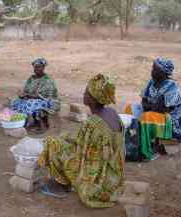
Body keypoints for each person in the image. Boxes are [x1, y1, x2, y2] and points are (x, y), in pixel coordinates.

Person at [38, 74, 125, 208]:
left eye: (86, 92)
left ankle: (61, 184)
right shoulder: (112, 113)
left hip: (96, 178)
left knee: (52, 142)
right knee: (62, 138)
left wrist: (61, 139)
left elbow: (80, 153)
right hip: (112, 176)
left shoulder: (92, 123)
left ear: (94, 99)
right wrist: (66, 136)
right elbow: (91, 144)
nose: (84, 94)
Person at [126, 58, 181, 160]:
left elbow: (160, 108)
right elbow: (144, 101)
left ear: (163, 73)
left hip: (172, 122)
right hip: (157, 113)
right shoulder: (151, 82)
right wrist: (151, 105)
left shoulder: (173, 87)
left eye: (155, 69)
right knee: (130, 109)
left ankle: (147, 150)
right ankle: (133, 141)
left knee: (147, 116)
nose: (152, 71)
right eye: (153, 68)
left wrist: (150, 105)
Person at [12, 58, 60, 132]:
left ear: (43, 67)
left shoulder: (48, 80)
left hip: (48, 101)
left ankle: (41, 124)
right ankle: (23, 122)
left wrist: (29, 95)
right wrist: (22, 95)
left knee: (32, 104)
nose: (36, 69)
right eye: (35, 67)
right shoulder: (31, 78)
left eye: (39, 67)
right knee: (16, 102)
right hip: (32, 98)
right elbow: (26, 91)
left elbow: (46, 96)